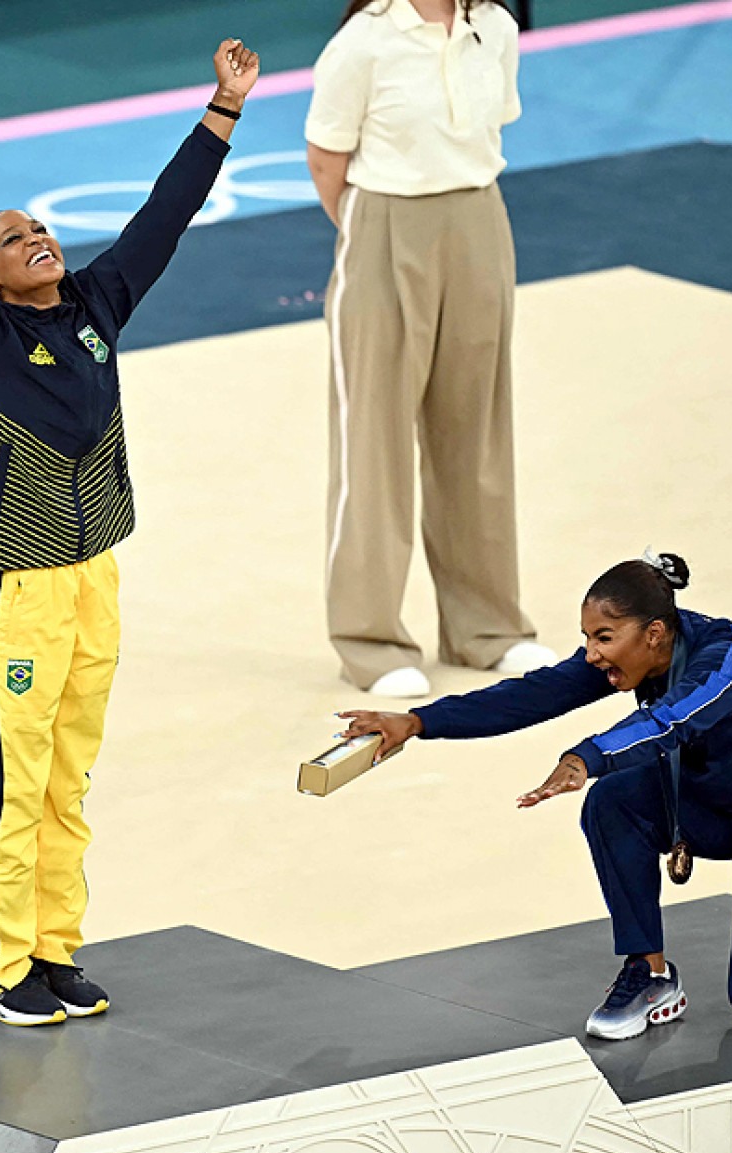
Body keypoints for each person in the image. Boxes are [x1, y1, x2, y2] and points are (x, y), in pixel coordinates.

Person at [0, 39, 261, 1027]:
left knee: (71, 771)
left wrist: (222, 108)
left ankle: (54, 949)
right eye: (11, 240)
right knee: (17, 776)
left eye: (41, 228)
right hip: (17, 588)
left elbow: (162, 219)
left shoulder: (95, 304)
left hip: (95, 577)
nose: (37, 239)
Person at [339, 553, 732, 1039]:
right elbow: (530, 695)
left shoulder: (730, 656)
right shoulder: (632, 654)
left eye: (604, 637)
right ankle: (650, 975)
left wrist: (585, 758)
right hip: (717, 806)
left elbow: (672, 721)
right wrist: (416, 722)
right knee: (613, 802)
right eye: (587, 638)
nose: (593, 654)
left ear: (654, 633)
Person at [305, 0, 554, 698]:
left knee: (475, 432)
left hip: (477, 217)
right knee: (374, 442)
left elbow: (490, 125)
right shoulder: (363, 42)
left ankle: (487, 628)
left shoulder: (495, 29)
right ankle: (369, 640)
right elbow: (327, 159)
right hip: (383, 222)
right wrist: (374, 236)